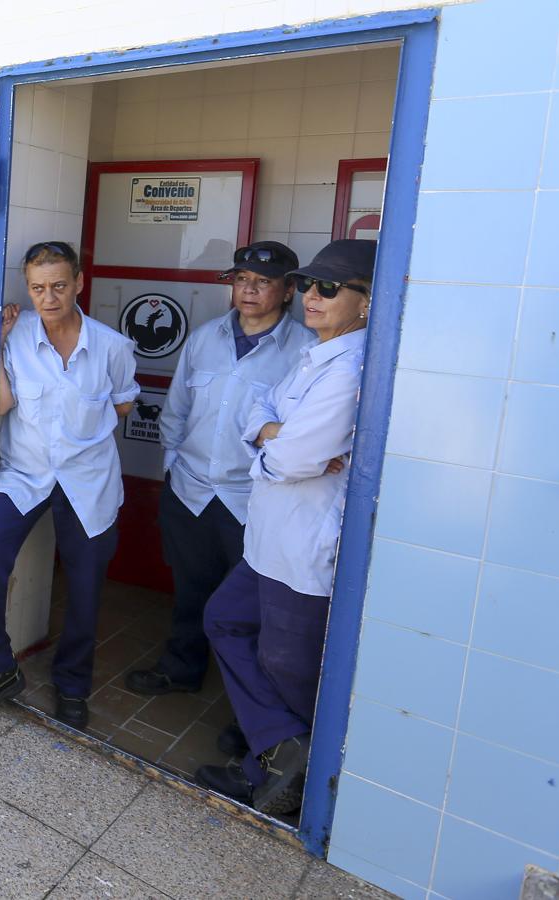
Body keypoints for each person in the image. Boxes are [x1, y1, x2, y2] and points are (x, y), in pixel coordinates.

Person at [195, 239, 376, 816]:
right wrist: (275, 437)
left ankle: (297, 785)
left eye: (329, 288)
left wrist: (276, 443)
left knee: (290, 670)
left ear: (366, 303)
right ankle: (279, 753)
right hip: (266, 542)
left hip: (303, 554)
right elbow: (261, 418)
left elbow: (288, 459)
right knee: (223, 620)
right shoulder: (318, 353)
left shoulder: (351, 367)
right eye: (309, 285)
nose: (312, 297)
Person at [0, 241, 139, 731]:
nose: (48, 297)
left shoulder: (112, 347)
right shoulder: (17, 337)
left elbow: (122, 407)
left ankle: (73, 685)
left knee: (84, 587)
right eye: (38, 288)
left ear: (78, 282)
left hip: (88, 480)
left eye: (58, 286)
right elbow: (0, 405)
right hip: (25, 473)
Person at [127, 242, 314, 703]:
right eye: (242, 280)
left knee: (252, 613)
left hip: (252, 501)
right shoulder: (206, 336)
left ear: (288, 290)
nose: (249, 290)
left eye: (263, 282)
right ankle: (181, 669)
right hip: (190, 491)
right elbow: (176, 410)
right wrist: (171, 470)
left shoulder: (306, 351)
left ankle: (246, 712)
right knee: (190, 591)